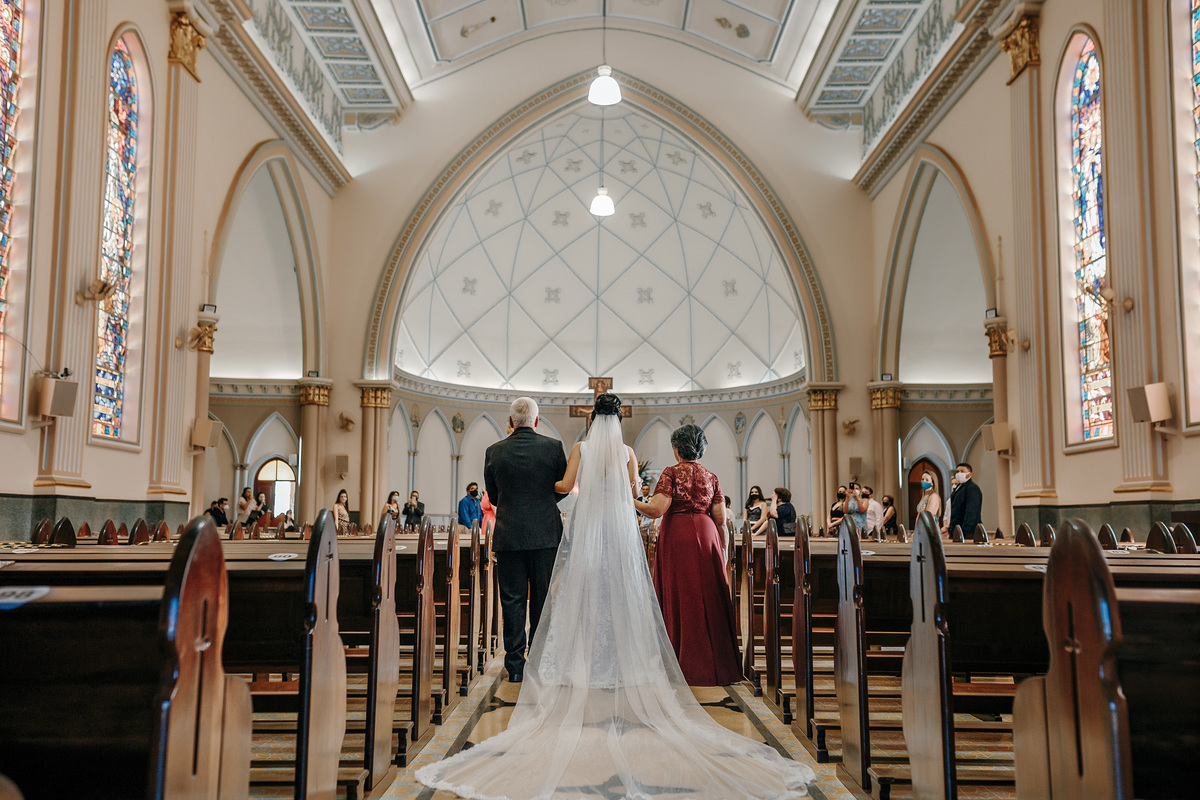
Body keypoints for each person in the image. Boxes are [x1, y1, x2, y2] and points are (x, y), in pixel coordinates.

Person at [417, 397, 814, 798]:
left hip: (586, 530)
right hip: (619, 530)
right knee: (621, 592)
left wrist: (537, 482)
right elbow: (634, 491)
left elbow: (565, 486)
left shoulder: (579, 448)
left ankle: (547, 661)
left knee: (574, 592)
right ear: (619, 419)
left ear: (591, 419)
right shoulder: (626, 452)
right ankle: (623, 658)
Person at [636, 423, 742, 686]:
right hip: (708, 536)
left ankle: (682, 662)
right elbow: (720, 520)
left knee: (680, 595)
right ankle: (715, 666)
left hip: (679, 536)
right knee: (709, 596)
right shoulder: (711, 476)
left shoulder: (671, 473)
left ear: (676, 449)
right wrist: (724, 551)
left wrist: (628, 500)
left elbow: (657, 510)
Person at [483, 396, 568, 682]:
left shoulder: (494, 451)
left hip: (509, 535)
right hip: (545, 534)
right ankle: (540, 660)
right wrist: (544, 501)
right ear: (536, 420)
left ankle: (515, 666)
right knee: (543, 598)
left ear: (510, 421)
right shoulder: (553, 447)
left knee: (512, 600)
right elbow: (563, 488)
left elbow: (493, 496)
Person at [944, 462, 983, 536]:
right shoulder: (959, 488)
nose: (959, 474)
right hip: (956, 531)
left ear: (969, 474)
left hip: (967, 532)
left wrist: (964, 532)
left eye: (962, 471)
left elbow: (971, 511)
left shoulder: (972, 488)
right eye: (957, 471)